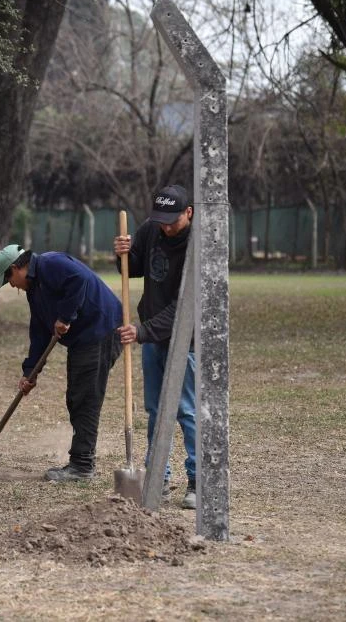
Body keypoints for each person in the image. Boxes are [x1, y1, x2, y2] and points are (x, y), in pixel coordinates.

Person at [0, 245, 122, 482]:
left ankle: (82, 467)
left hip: (102, 330)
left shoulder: (50, 263)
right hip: (84, 338)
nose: (11, 285)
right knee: (76, 396)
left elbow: (80, 279)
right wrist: (30, 372)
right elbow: (40, 331)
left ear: (16, 268)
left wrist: (65, 317)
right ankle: (80, 463)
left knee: (85, 397)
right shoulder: (34, 289)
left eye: (9, 278)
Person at [113, 184, 197, 509]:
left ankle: (196, 481)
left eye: (172, 221)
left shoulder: (196, 245)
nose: (165, 227)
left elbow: (183, 306)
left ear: (188, 213)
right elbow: (132, 268)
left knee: (186, 411)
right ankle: (157, 476)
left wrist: (142, 330)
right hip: (151, 339)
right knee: (154, 410)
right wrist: (122, 252)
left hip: (185, 340)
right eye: (161, 220)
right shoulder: (152, 228)